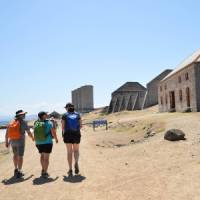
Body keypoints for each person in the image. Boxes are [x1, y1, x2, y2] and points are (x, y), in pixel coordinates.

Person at [5, 110, 34, 178]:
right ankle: (19, 171)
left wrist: (6, 142)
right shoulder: (23, 122)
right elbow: (28, 132)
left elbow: (7, 134)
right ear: (20, 115)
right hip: (20, 141)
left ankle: (15, 169)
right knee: (20, 156)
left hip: (12, 141)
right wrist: (32, 138)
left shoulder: (11, 122)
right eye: (23, 114)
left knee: (15, 155)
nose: (24, 115)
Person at [34, 111, 58, 178]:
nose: (47, 115)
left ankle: (43, 169)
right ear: (43, 116)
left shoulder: (36, 123)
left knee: (42, 156)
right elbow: (53, 132)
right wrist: (56, 139)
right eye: (46, 114)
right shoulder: (49, 123)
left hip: (38, 142)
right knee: (46, 158)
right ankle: (45, 172)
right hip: (47, 142)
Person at [62, 103, 82, 176]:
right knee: (76, 150)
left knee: (69, 152)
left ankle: (70, 169)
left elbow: (63, 127)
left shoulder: (64, 115)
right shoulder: (78, 115)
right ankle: (76, 162)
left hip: (67, 135)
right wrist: (76, 130)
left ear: (67, 108)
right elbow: (81, 126)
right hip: (76, 134)